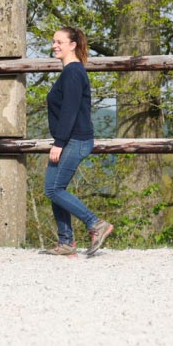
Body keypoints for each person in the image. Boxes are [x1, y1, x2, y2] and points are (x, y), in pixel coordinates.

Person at [40, 26, 113, 257]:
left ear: (73, 45)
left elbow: (70, 111)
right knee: (53, 188)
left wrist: (59, 143)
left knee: (54, 189)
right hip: (70, 139)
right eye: (54, 41)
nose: (55, 45)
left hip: (75, 140)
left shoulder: (73, 72)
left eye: (59, 42)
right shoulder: (70, 71)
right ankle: (66, 242)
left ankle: (95, 223)